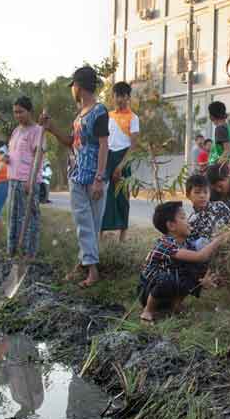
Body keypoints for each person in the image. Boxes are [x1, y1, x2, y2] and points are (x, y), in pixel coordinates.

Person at [40, 66, 110, 288]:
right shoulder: (79, 115)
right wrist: (51, 128)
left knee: (91, 224)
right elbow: (72, 142)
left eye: (73, 87)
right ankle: (87, 266)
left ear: (78, 87)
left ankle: (89, 268)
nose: (72, 91)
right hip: (77, 175)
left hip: (94, 177)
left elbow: (103, 145)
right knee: (84, 222)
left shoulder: (99, 111)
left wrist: (99, 178)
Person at [138, 201, 229, 323]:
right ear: (171, 226)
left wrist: (203, 279)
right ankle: (148, 311)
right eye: (183, 217)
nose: (188, 221)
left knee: (194, 269)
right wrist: (220, 239)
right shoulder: (165, 244)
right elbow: (200, 256)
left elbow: (201, 261)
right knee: (167, 278)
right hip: (149, 291)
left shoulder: (186, 243)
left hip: (168, 291)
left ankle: (175, 305)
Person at [7, 96, 46, 260]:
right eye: (15, 112)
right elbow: (13, 153)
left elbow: (38, 157)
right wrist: (6, 158)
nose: (17, 115)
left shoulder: (37, 131)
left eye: (20, 112)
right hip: (13, 179)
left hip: (27, 182)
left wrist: (30, 180)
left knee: (29, 218)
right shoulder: (16, 130)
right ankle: (14, 251)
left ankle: (29, 254)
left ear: (29, 111)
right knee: (13, 216)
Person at [101, 81, 139, 242]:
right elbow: (102, 141)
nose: (120, 99)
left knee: (123, 196)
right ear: (113, 97)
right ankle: (100, 233)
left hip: (124, 158)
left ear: (128, 98)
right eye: (117, 96)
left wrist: (121, 165)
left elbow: (134, 146)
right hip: (107, 157)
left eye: (124, 96)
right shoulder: (107, 116)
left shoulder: (133, 118)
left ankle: (123, 235)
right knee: (104, 196)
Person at [185, 173, 230, 249]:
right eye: (197, 192)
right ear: (188, 195)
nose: (202, 196)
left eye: (206, 192)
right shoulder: (190, 222)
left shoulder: (219, 206)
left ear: (210, 194)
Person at [207, 101, 230, 167]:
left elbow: (227, 150)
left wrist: (216, 168)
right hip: (224, 168)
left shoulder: (220, 128)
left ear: (212, 116)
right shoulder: (229, 128)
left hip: (217, 168)